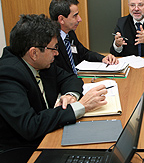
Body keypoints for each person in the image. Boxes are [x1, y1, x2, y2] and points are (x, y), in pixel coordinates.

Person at [0, 14, 108, 156]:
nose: (57, 53)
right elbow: (30, 126)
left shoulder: (42, 63)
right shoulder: (7, 74)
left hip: (51, 131)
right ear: (34, 53)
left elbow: (71, 78)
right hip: (27, 149)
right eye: (53, 48)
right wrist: (81, 106)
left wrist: (70, 95)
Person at [49, 0, 118, 74]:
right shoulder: (51, 41)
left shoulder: (70, 33)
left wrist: (103, 58)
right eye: (75, 16)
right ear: (61, 19)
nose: (79, 19)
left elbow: (84, 53)